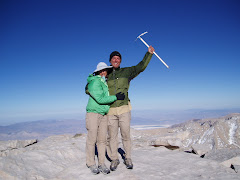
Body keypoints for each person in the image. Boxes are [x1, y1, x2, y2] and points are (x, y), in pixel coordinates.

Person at [107, 46, 155, 171]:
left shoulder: (127, 71)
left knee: (125, 135)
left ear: (120, 61)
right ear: (110, 61)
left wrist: (148, 54)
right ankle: (114, 159)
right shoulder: (105, 74)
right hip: (110, 110)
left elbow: (140, 67)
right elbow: (93, 84)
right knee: (111, 137)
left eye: (118, 58)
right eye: (114, 58)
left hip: (124, 109)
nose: (116, 60)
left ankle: (127, 157)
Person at [85, 62, 125, 175]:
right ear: (97, 72)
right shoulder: (95, 82)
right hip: (93, 113)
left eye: (105, 70)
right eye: (101, 71)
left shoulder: (103, 82)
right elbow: (101, 99)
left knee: (102, 140)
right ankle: (91, 163)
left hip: (103, 114)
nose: (103, 72)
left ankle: (101, 163)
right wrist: (116, 97)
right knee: (92, 140)